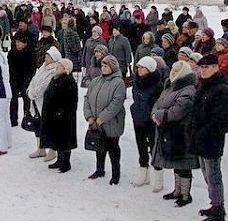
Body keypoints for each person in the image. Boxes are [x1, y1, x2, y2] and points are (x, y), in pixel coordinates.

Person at [190, 54, 228, 221]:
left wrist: (202, 132)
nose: (203, 70)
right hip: (199, 137)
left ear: (216, 67)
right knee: (207, 174)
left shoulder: (221, 89)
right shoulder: (203, 85)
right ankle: (214, 204)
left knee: (214, 175)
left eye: (207, 67)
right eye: (201, 67)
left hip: (212, 138)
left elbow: (220, 118)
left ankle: (218, 211)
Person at [151, 60, 198, 207]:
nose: (173, 72)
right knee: (176, 161)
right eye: (173, 69)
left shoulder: (188, 90)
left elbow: (178, 111)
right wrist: (155, 114)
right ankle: (177, 190)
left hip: (182, 132)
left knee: (184, 163)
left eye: (177, 70)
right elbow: (158, 102)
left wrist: (160, 115)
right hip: (168, 130)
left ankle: (185, 194)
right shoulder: (170, 86)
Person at [84, 55, 126, 185]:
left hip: (112, 122)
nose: (103, 68)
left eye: (106, 65)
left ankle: (115, 174)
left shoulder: (118, 82)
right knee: (98, 146)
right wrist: (90, 116)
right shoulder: (96, 81)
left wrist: (101, 118)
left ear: (113, 67)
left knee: (113, 148)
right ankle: (99, 170)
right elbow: (87, 98)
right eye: (102, 65)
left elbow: (116, 103)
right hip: (95, 121)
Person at [40, 58, 78, 173]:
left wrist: (62, 111)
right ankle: (59, 160)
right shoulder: (55, 78)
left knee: (64, 139)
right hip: (54, 115)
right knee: (57, 138)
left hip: (64, 117)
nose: (57, 67)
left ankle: (66, 162)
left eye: (60, 66)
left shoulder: (68, 80)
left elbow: (71, 100)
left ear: (65, 68)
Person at [130, 56, 163, 189]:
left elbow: (159, 103)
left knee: (155, 148)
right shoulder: (136, 82)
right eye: (138, 67)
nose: (139, 70)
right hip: (138, 118)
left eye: (142, 67)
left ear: (149, 69)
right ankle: (143, 173)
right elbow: (135, 97)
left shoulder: (157, 84)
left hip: (151, 121)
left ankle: (158, 176)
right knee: (141, 146)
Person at [27, 46, 62, 159]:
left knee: (49, 126)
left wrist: (32, 94)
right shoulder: (42, 67)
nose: (46, 57)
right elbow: (34, 80)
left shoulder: (54, 70)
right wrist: (29, 90)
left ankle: (52, 150)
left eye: (48, 56)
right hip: (35, 102)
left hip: (45, 103)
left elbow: (44, 86)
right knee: (37, 125)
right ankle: (40, 148)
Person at [8, 33, 35, 127]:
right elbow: (10, 68)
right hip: (14, 80)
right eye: (16, 42)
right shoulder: (11, 53)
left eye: (19, 42)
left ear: (25, 43)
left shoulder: (30, 53)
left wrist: (28, 80)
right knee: (13, 101)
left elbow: (32, 68)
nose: (17, 44)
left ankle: (27, 118)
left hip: (26, 80)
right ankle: (13, 119)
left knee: (26, 101)